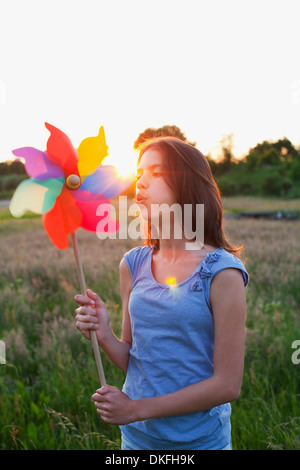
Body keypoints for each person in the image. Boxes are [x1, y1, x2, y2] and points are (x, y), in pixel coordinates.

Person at [74, 137, 249, 450]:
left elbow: (227, 385)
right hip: (138, 440)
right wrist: (104, 334)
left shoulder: (222, 272)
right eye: (140, 173)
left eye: (155, 173)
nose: (141, 182)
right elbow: (135, 359)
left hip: (198, 441)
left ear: (188, 185)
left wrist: (135, 409)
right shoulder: (133, 264)